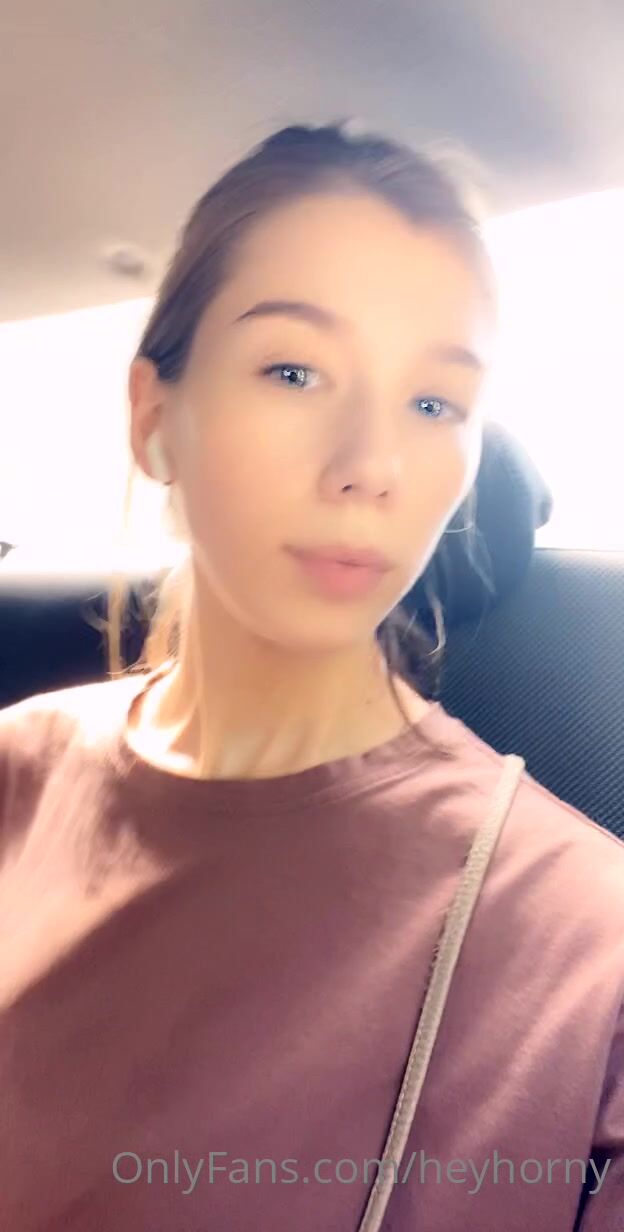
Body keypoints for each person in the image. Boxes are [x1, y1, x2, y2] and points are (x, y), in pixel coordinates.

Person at [0, 121, 622, 1232]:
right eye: (294, 370)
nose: (370, 467)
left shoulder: (587, 944)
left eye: (435, 403)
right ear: (155, 417)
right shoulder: (17, 769)